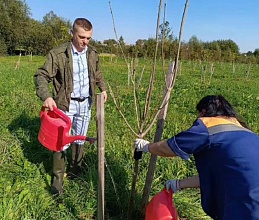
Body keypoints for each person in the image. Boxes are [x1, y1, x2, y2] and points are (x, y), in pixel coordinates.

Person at [134, 95, 259, 220]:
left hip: (243, 202)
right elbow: (219, 175)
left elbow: (169, 148)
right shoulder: (247, 134)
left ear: (203, 112)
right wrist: (179, 184)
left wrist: (146, 146)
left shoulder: (210, 126)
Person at [34, 18, 107, 195]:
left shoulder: (92, 53)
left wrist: (103, 88)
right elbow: (41, 75)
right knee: (60, 143)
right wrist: (47, 96)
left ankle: (76, 173)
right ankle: (57, 182)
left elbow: (97, 73)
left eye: (89, 38)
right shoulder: (58, 54)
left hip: (85, 103)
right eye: (82, 37)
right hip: (65, 105)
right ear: (72, 33)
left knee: (80, 139)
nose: (85, 42)